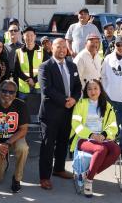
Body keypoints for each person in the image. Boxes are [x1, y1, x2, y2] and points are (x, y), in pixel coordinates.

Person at [38, 38, 82, 190]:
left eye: (64, 47)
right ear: (51, 48)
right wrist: (65, 101)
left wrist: (74, 100)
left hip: (68, 112)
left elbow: (78, 86)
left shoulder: (72, 65)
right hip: (50, 113)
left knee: (63, 142)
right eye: (59, 46)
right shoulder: (45, 67)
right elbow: (47, 90)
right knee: (47, 145)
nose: (62, 49)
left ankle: (59, 169)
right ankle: (44, 177)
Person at [69, 80, 119, 198]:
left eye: (95, 88)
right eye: (89, 89)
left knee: (116, 150)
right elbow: (76, 124)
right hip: (84, 138)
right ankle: (89, 181)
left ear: (100, 90)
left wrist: (104, 134)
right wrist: (91, 135)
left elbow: (113, 125)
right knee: (101, 150)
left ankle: (87, 174)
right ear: (86, 91)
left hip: (102, 138)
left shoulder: (107, 105)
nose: (93, 91)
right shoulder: (81, 104)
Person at [14, 27, 50, 98]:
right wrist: (28, 80)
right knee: (24, 108)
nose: (29, 38)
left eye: (31, 35)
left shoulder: (43, 51)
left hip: (38, 86)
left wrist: (34, 80)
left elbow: (46, 69)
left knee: (37, 107)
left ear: (35, 36)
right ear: (23, 37)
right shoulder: (18, 52)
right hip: (24, 87)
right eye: (27, 35)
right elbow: (17, 70)